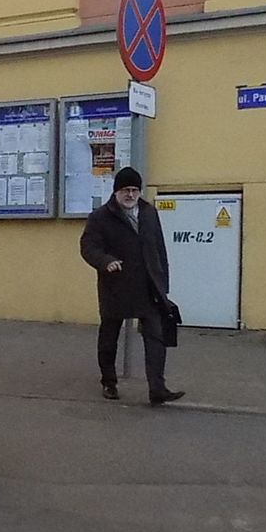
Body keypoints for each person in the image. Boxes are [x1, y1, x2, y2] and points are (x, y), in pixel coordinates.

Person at [78, 166, 184, 406]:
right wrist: (105, 261)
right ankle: (109, 382)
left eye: (135, 190)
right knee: (109, 336)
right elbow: (88, 247)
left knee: (156, 336)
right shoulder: (100, 217)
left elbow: (159, 248)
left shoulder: (149, 213)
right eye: (125, 190)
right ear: (116, 191)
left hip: (148, 287)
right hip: (116, 285)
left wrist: (163, 283)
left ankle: (157, 388)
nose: (130, 194)